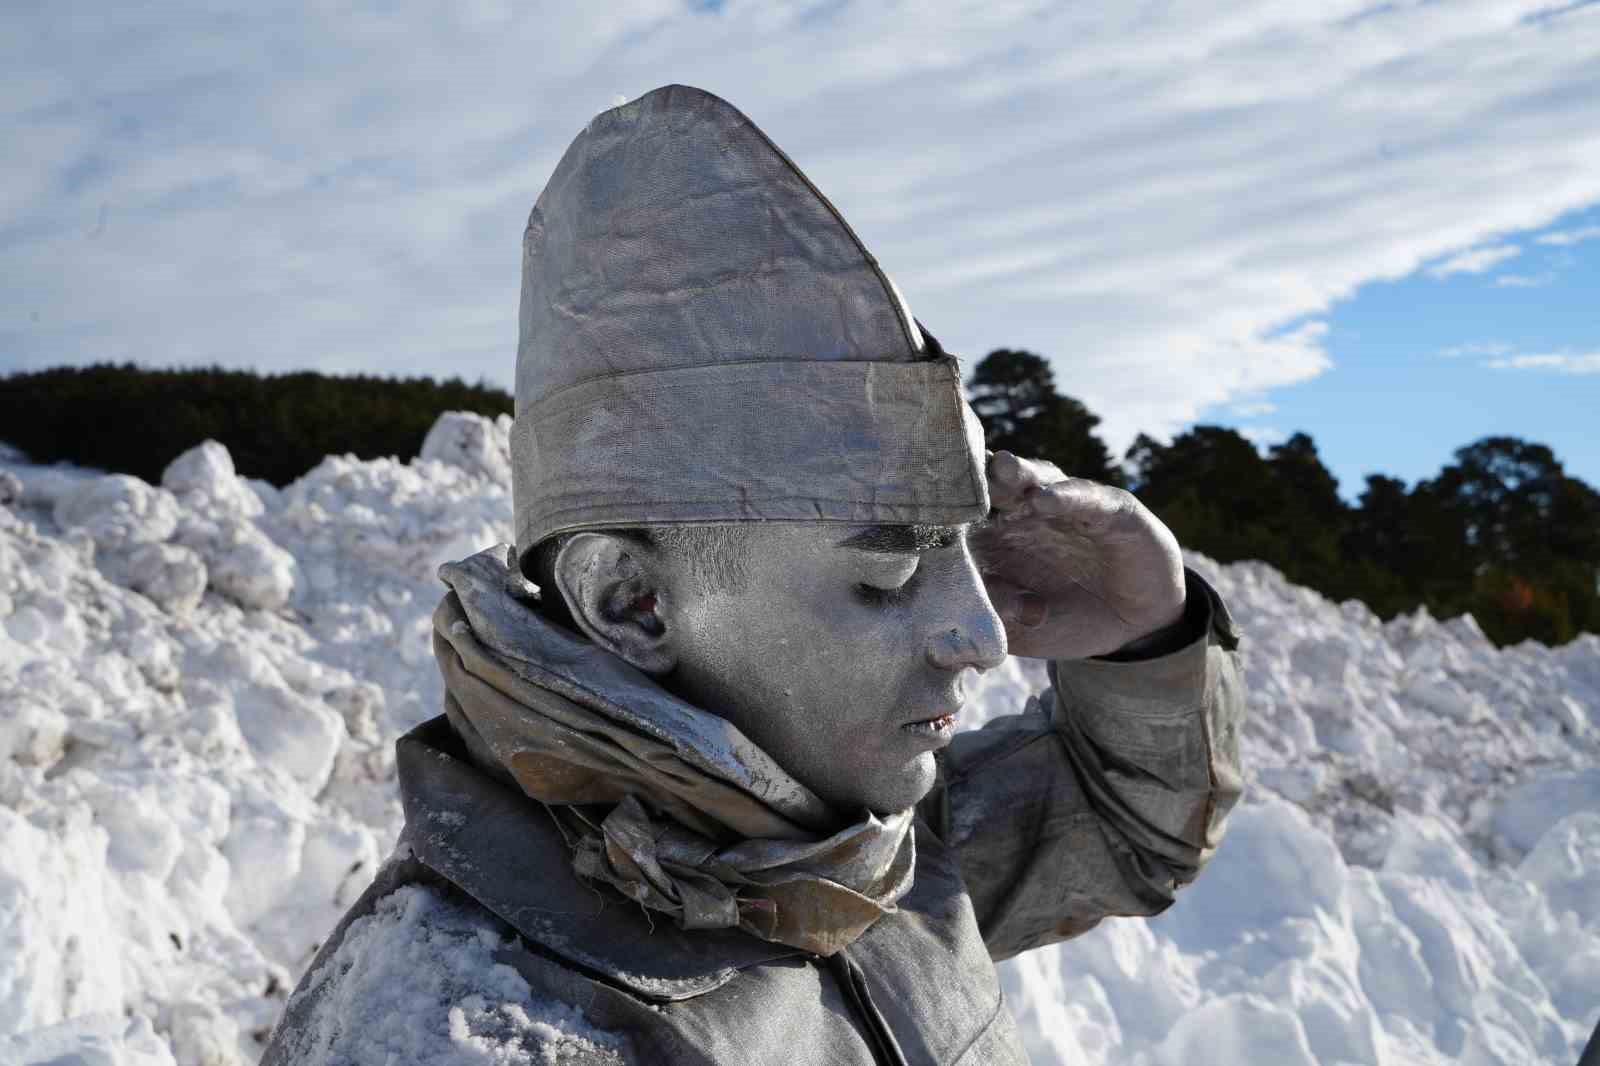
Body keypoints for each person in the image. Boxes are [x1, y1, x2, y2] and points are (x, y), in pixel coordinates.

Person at [262, 84, 1245, 1066]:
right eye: (892, 570)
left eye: (964, 552)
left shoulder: (851, 853)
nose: (984, 636)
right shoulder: (467, 1027)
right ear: (632, 603)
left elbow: (1117, 830)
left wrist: (1144, 636)